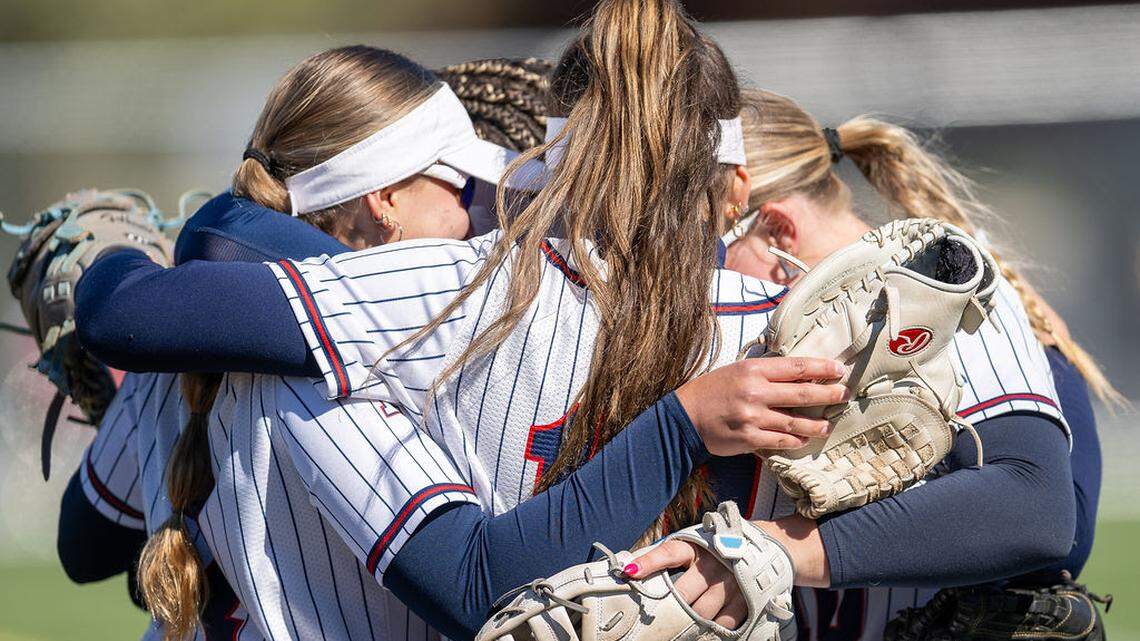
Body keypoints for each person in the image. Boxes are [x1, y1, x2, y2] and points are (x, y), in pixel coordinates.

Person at [73, 14, 847, 641]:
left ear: (567, 167)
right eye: (466, 181)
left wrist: (122, 256)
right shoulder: (809, 326)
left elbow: (86, 539)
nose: (488, 202)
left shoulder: (434, 299)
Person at [628, 88, 1111, 640]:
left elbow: (1039, 515)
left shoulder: (943, 292)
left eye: (710, 257)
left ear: (778, 231)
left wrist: (768, 549)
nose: (701, 286)